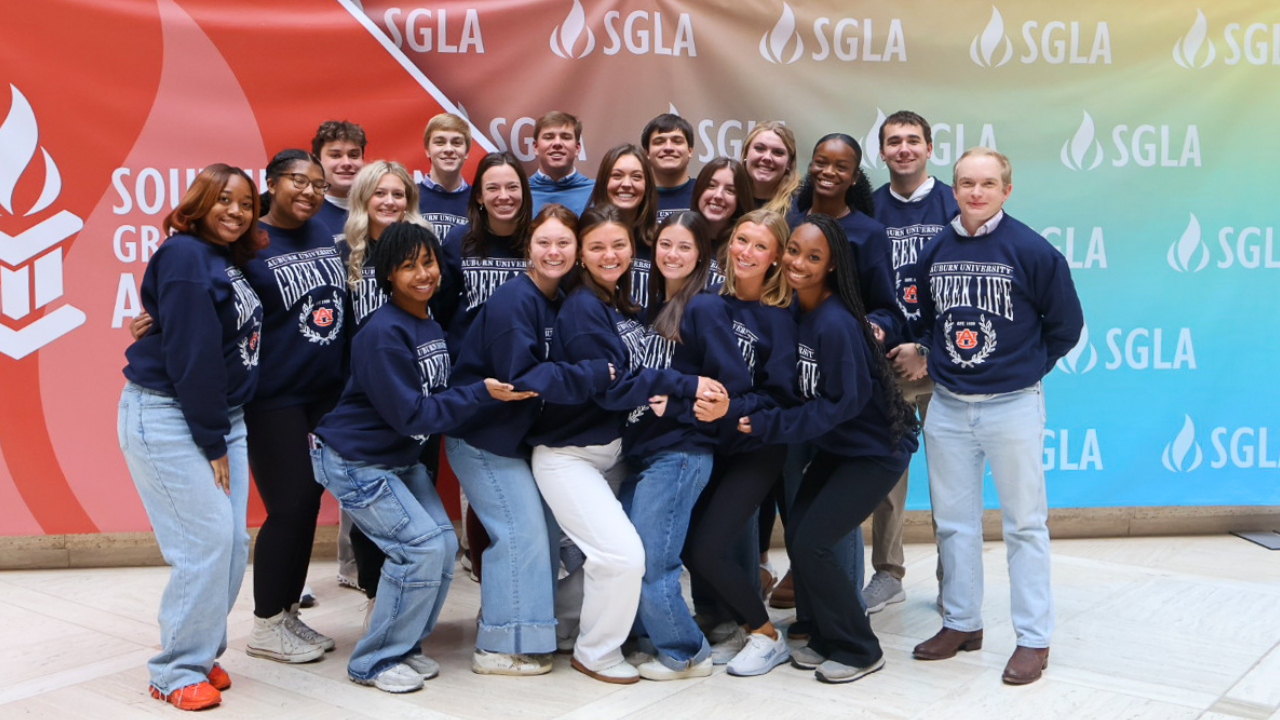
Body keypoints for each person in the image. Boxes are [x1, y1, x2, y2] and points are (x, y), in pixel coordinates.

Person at [310, 221, 532, 694]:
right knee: (422, 547)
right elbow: (411, 414)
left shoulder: (427, 320)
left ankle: (404, 646)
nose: (422, 274)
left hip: (395, 460)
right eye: (407, 267)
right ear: (388, 275)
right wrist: (480, 395)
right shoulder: (383, 332)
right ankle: (372, 661)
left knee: (443, 546)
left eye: (427, 262)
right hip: (356, 459)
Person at [895, 147, 1083, 685]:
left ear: (1007, 189)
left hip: (1013, 406)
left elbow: (1065, 326)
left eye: (988, 183)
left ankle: (1033, 639)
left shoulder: (1033, 251)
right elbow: (929, 320)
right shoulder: (935, 249)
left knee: (1024, 524)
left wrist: (1024, 367)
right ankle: (962, 622)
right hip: (949, 406)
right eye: (966, 183)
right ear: (953, 190)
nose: (976, 193)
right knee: (954, 524)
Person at [527, 204, 724, 685]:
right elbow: (612, 387)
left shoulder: (620, 302)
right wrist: (683, 386)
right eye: (596, 247)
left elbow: (633, 376)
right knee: (624, 556)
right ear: (578, 254)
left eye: (619, 245)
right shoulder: (582, 307)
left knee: (621, 554)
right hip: (569, 456)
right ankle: (595, 653)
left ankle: (597, 637)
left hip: (614, 454)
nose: (610, 254)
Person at [739, 213, 919, 684]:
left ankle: (860, 648)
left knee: (815, 541)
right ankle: (822, 634)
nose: (799, 262)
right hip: (840, 447)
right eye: (794, 250)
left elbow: (843, 403)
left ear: (832, 266)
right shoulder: (799, 310)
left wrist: (769, 424)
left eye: (813, 257)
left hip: (876, 450)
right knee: (800, 533)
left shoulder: (836, 322)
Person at [118, 164, 265, 711]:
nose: (235, 211)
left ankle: (199, 653)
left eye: (245, 203)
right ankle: (173, 670)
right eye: (223, 199)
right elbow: (194, 358)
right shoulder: (183, 256)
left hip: (222, 416)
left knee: (230, 546)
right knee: (204, 546)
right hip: (172, 416)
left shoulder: (223, 259)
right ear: (198, 202)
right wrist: (212, 441)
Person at [446, 204, 615, 676]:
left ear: (577, 250)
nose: (554, 251)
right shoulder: (514, 300)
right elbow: (521, 377)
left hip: (514, 441)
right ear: (528, 247)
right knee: (519, 536)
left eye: (564, 242)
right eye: (545, 242)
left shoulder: (559, 298)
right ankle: (500, 648)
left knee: (538, 536)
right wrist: (596, 373)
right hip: (481, 437)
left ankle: (520, 626)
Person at [621, 211, 751, 681]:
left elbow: (730, 386)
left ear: (701, 255)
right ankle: (646, 639)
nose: (672, 255)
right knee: (632, 555)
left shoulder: (704, 307)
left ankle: (685, 652)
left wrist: (673, 405)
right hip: (645, 452)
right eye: (665, 246)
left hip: (680, 453)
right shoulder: (655, 304)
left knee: (656, 561)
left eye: (684, 247)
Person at [241, 149, 347, 664]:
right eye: (297, 181)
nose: (309, 192)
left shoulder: (322, 231)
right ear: (272, 182)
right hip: (273, 396)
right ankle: (264, 624)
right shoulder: (249, 240)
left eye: (318, 185)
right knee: (289, 506)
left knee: (309, 504)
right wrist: (157, 317)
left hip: (323, 391)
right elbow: (203, 294)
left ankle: (285, 612)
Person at [683, 209, 798, 677]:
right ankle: (729, 624)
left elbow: (781, 396)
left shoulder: (782, 316)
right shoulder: (708, 303)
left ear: (775, 258)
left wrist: (731, 408)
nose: (746, 252)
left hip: (757, 447)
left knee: (706, 548)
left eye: (760, 246)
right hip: (711, 443)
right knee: (694, 546)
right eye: (741, 240)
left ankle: (767, 635)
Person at [863, 111, 960, 614]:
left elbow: (968, 289)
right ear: (881, 152)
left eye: (913, 140)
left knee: (950, 476)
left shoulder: (954, 204)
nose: (903, 149)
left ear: (929, 147)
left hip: (943, 362)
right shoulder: (870, 208)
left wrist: (927, 349)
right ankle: (888, 572)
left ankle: (954, 576)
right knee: (887, 475)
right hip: (887, 365)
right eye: (893, 141)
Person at [434, 152, 532, 354]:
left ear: (524, 192)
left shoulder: (540, 242)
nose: (503, 196)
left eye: (512, 187)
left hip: (525, 362)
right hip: (469, 369)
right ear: (479, 195)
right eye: (493, 188)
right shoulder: (457, 241)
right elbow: (440, 310)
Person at [588, 144, 658, 309]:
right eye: (617, 175)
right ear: (603, 182)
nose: (627, 184)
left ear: (647, 186)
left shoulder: (662, 241)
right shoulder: (584, 237)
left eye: (636, 177)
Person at [689, 157, 753, 284]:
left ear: (740, 199)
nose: (718, 195)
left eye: (730, 190)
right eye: (711, 186)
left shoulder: (745, 250)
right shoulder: (680, 235)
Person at [417, 112, 472, 241]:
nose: (448, 149)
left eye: (456, 143)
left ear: (467, 152)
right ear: (427, 150)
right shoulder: (409, 196)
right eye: (440, 142)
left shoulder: (479, 201)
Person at [528, 110, 593, 215]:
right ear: (535, 147)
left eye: (565, 137)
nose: (557, 143)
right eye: (548, 137)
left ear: (577, 148)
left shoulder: (596, 192)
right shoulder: (520, 192)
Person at [311, 120, 367, 237]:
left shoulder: (382, 209)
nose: (346, 163)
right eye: (335, 155)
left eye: (353, 155)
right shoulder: (307, 213)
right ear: (317, 162)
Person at [641, 113, 696, 219]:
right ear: (647, 153)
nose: (668, 148)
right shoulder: (636, 195)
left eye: (677, 141)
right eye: (659, 142)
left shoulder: (705, 194)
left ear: (690, 151)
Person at [741, 121, 799, 214]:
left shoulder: (800, 206)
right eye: (759, 148)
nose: (767, 158)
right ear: (746, 153)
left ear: (789, 162)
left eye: (778, 152)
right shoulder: (729, 198)